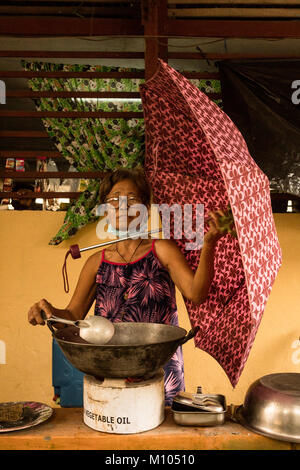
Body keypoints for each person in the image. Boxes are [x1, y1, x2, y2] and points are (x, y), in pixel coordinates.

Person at [28, 168, 228, 405]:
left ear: (144, 208)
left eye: (132, 199)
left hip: (160, 370)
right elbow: (73, 316)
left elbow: (196, 293)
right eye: (114, 200)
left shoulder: (163, 250)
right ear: (105, 211)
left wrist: (209, 246)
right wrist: (49, 312)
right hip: (110, 371)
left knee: (158, 437)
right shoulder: (96, 262)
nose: (122, 206)